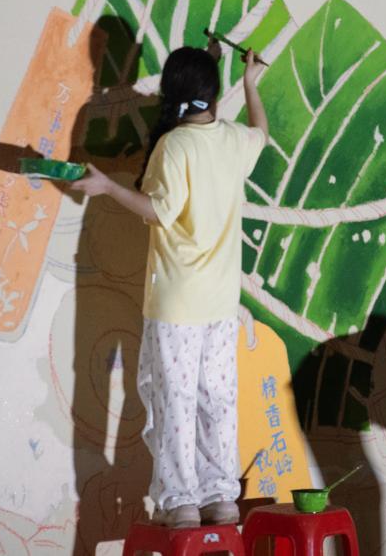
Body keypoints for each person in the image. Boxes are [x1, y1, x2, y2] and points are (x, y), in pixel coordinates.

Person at [71, 44, 268, 528]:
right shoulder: (233, 140)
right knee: (215, 399)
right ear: (213, 93)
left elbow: (159, 210)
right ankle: (221, 496)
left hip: (176, 304)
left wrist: (109, 187)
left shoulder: (174, 147)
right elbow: (261, 131)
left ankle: (181, 502)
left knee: (174, 400)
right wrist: (250, 81)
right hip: (220, 303)